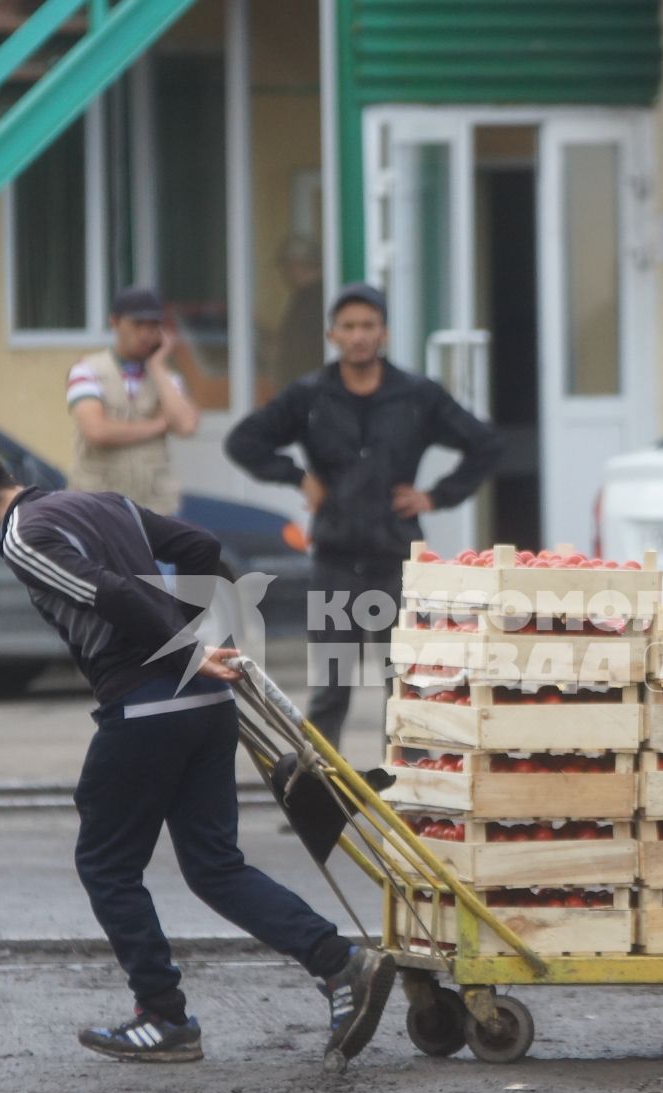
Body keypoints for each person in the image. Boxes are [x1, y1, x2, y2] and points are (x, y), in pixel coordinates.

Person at [0, 445, 395, 1067]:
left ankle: (163, 1017)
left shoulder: (22, 537)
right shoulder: (100, 501)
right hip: (205, 707)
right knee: (214, 866)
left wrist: (185, 654)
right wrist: (196, 641)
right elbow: (200, 547)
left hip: (147, 708)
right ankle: (342, 965)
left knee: (106, 863)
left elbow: (111, 594)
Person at [224, 282, 501, 747]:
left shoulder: (416, 395)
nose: (359, 336)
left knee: (405, 686)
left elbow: (486, 445)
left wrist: (435, 496)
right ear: (333, 334)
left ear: (384, 333)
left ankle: (408, 796)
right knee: (330, 691)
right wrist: (297, 477)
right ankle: (320, 798)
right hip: (335, 561)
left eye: (368, 326)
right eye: (349, 326)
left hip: (397, 561)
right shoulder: (310, 396)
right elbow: (243, 441)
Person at [66, 285, 200, 516]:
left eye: (154, 326)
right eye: (138, 324)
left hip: (154, 508)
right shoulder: (87, 370)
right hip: (96, 508)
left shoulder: (166, 379)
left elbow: (186, 425)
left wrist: (157, 367)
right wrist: (157, 425)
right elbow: (97, 431)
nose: (146, 334)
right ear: (115, 322)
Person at [270, 234, 326, 388]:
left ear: (297, 266)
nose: (284, 275)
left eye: (286, 268)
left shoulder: (314, 298)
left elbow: (302, 344)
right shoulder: (305, 296)